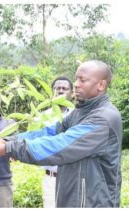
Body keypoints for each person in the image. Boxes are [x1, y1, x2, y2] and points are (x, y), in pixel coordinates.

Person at [0, 60, 123, 207]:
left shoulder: (104, 118)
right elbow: (49, 132)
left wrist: (9, 148)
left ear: (101, 85)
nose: (76, 84)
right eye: (76, 78)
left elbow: (60, 145)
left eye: (82, 80)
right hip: (72, 197)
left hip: (93, 203)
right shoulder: (80, 112)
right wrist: (7, 140)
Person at [40, 76, 73, 208]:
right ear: (52, 92)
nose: (60, 91)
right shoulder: (42, 117)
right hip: (51, 178)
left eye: (64, 88)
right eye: (57, 88)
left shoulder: (78, 116)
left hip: (72, 177)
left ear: (71, 93)